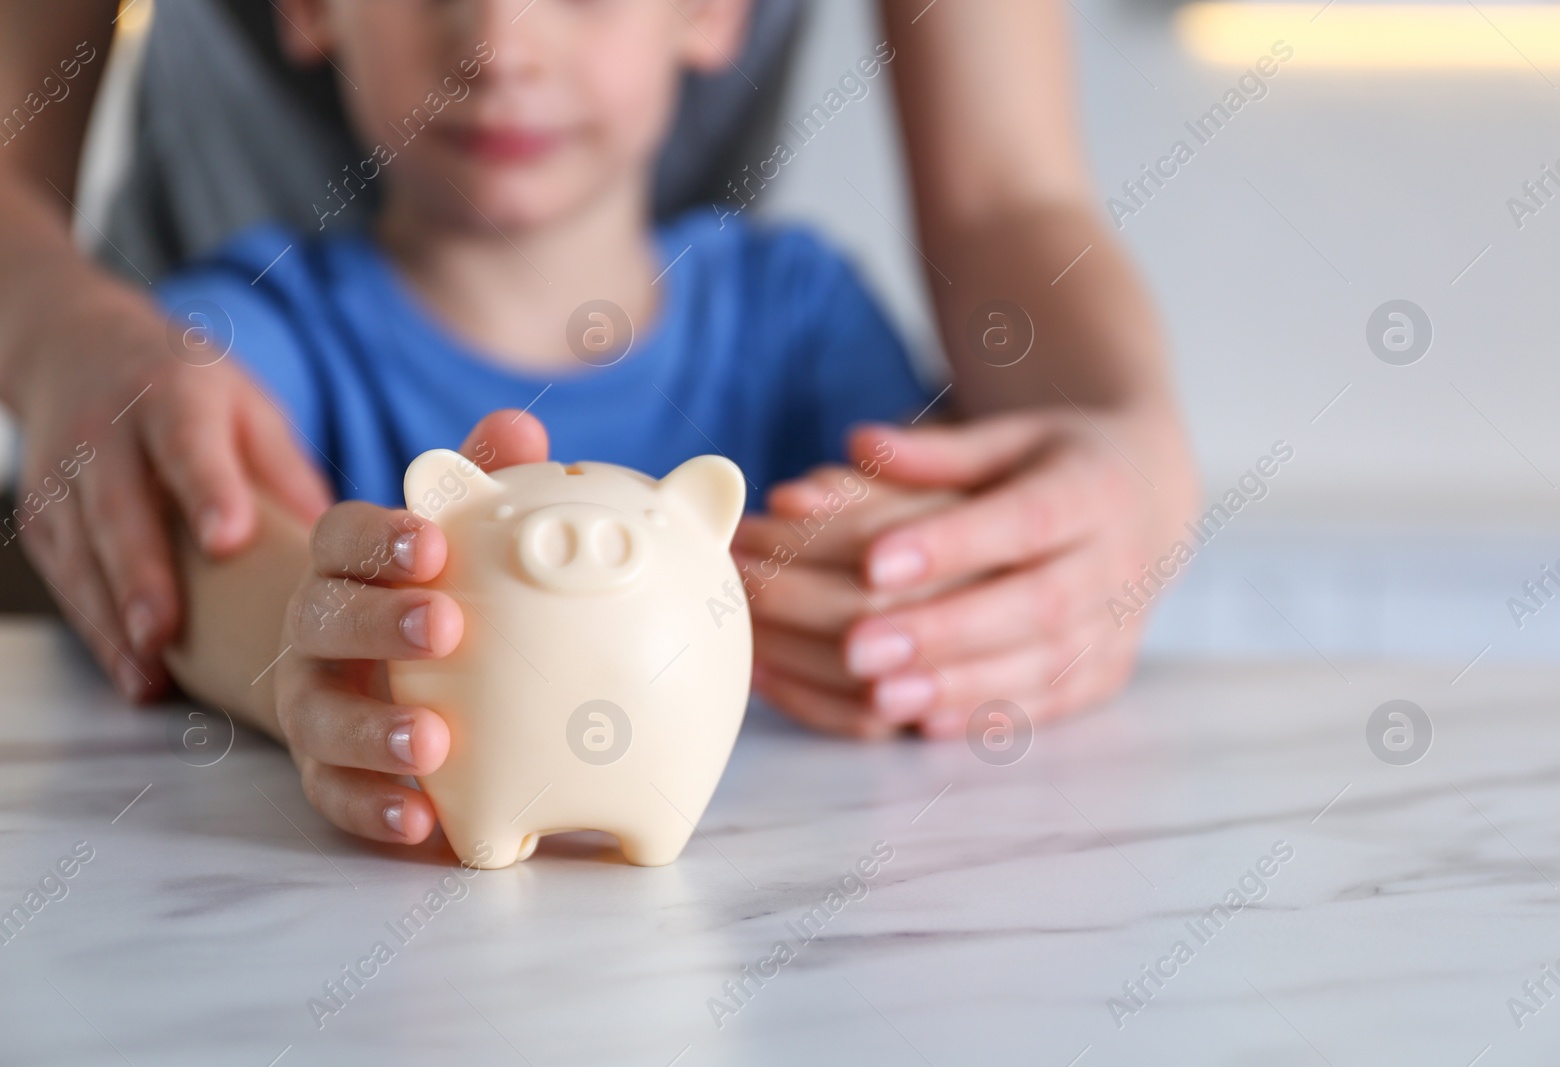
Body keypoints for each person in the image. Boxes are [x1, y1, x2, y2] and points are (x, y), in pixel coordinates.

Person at [0, 0, 1197, 835]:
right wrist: (322, 659)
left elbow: (1004, 214)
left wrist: (972, 573)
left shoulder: (797, 315)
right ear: (310, 11)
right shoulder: (254, 317)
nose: (501, 46)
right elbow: (188, 516)